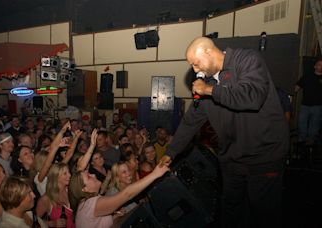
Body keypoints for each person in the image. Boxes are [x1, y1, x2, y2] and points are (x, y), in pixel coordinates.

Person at [160, 37, 289, 227]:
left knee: (263, 213)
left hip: (264, 155)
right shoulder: (207, 87)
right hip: (232, 159)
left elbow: (252, 97)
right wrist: (171, 153)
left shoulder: (246, 60)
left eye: (196, 64)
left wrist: (209, 90)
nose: (195, 70)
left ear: (208, 52)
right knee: (230, 210)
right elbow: (190, 122)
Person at [68, 162, 169, 228]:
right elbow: (127, 194)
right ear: (84, 189)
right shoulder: (90, 204)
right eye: (89, 177)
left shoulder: (86, 205)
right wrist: (155, 174)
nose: (94, 175)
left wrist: (114, 217)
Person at [295, 58, 322, 146]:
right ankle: (301, 142)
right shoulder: (307, 76)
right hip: (305, 105)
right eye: (319, 64)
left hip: (318, 106)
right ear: (315, 66)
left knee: (314, 128)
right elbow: (297, 86)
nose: (321, 66)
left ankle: (310, 144)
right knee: (301, 124)